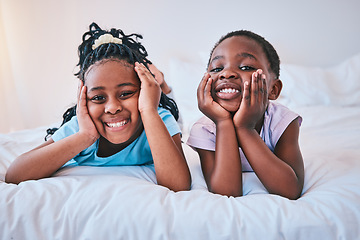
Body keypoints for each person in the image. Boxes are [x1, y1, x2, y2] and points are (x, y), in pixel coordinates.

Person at [5, 23, 191, 192]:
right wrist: (85, 137)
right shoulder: (81, 127)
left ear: (143, 92)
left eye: (125, 93)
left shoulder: (158, 117)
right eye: (98, 97)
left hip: (153, 108)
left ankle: (163, 86)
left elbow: (178, 185)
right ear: (83, 99)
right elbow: (15, 175)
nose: (112, 107)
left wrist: (149, 110)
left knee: (176, 118)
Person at [186, 30, 304, 199]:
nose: (226, 73)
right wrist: (223, 122)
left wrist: (245, 128)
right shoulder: (205, 129)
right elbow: (227, 192)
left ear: (273, 89)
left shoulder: (282, 122)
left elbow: (290, 190)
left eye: (246, 67)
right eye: (217, 68)